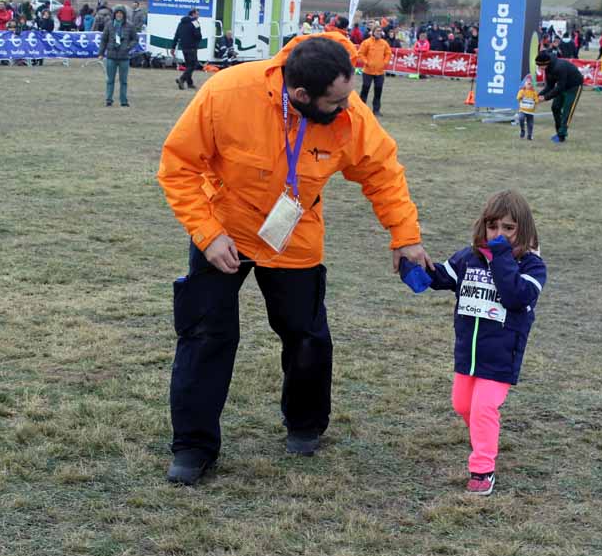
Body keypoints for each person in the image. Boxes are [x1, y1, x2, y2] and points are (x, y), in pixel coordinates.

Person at [157, 33, 431, 485]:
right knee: (205, 335)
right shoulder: (227, 92)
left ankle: (306, 424)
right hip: (223, 229)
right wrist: (208, 234)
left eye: (349, 95)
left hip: (294, 232)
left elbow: (382, 172)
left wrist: (405, 236)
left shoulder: (349, 113)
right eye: (336, 101)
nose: (348, 107)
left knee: (306, 334)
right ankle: (193, 446)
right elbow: (178, 166)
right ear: (301, 94)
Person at [424, 190, 546, 496]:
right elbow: (441, 276)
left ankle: (482, 469)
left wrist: (501, 256)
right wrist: (415, 267)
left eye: (508, 228)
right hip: (468, 351)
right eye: (493, 227)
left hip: (502, 354)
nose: (499, 234)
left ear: (523, 230)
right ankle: (484, 434)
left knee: (483, 408)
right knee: (462, 404)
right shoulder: (470, 258)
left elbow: (515, 296)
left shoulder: (531, 267)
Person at [535, 51, 584, 144]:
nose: (539, 68)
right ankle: (559, 132)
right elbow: (549, 86)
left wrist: (545, 98)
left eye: (540, 66)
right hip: (563, 86)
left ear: (546, 63)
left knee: (567, 111)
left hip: (574, 86)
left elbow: (560, 87)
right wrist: (537, 96)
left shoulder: (559, 67)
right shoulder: (547, 68)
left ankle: (561, 135)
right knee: (555, 107)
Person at [98, 4, 137, 107]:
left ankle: (123, 101)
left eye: (121, 13)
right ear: (114, 14)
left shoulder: (130, 25)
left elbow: (135, 39)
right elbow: (104, 40)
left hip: (124, 57)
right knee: (110, 80)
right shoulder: (109, 25)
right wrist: (101, 53)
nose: (119, 15)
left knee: (123, 81)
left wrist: (128, 47)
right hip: (111, 56)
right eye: (117, 13)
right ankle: (109, 99)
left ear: (124, 14)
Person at [357, 26, 392, 116]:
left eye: (380, 31)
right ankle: (361, 109)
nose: (379, 32)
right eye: (377, 31)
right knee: (365, 89)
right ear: (373, 32)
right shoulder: (366, 42)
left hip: (380, 72)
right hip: (367, 71)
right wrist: (366, 62)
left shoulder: (384, 43)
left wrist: (385, 62)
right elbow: (360, 54)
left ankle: (376, 110)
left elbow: (388, 54)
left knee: (378, 91)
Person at [170, 8, 202, 91]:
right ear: (193, 14)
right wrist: (197, 41)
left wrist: (173, 47)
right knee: (193, 65)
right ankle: (182, 79)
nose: (198, 16)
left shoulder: (181, 23)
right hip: (192, 47)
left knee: (188, 65)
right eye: (197, 14)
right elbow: (198, 35)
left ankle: (189, 83)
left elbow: (176, 35)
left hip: (184, 47)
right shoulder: (195, 22)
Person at [515, 75, 538, 140]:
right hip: (522, 110)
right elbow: (518, 98)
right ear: (525, 84)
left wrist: (535, 100)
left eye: (530, 83)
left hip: (530, 112)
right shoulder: (522, 91)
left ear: (532, 85)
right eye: (527, 83)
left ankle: (529, 135)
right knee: (521, 118)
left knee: (530, 124)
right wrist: (521, 96)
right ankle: (522, 130)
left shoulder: (534, 92)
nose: (529, 84)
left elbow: (536, 100)